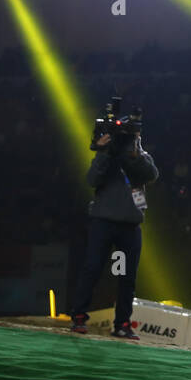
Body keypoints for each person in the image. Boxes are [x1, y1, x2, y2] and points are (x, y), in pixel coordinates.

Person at [69, 116, 159, 338]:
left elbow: (152, 175)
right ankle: (79, 317)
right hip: (103, 221)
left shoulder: (139, 155)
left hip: (130, 224)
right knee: (92, 268)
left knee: (128, 277)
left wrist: (134, 154)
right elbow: (92, 180)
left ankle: (123, 323)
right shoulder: (106, 155)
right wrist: (104, 153)